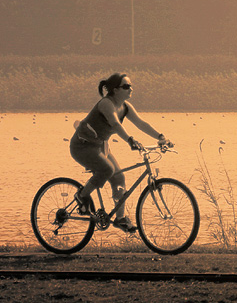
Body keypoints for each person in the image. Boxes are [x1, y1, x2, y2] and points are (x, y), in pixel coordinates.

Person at [69, 72, 172, 233]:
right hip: (82, 146)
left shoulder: (125, 107)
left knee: (119, 177)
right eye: (126, 86)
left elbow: (141, 123)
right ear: (115, 90)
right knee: (107, 170)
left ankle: (120, 219)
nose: (130, 89)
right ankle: (82, 196)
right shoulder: (106, 104)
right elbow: (116, 125)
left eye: (130, 85)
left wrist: (161, 137)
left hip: (100, 146)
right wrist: (130, 140)